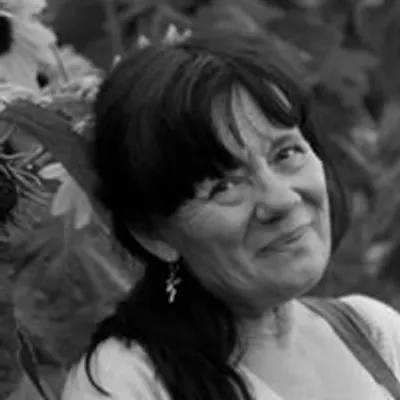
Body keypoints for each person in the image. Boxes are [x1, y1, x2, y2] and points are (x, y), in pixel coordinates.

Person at [61, 30, 400, 400]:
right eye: (223, 186)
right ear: (153, 235)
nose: (281, 200)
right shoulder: (126, 381)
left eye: (286, 153)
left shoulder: (374, 332)